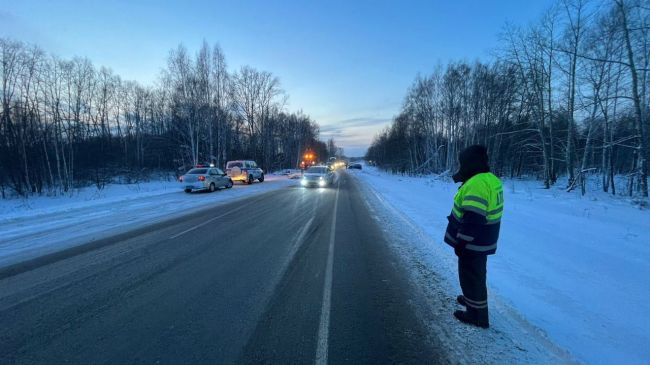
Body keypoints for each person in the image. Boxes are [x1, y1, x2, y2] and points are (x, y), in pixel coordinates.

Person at [444, 145, 503, 329]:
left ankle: (477, 316)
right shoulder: (489, 179)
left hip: (473, 242)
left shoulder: (477, 184)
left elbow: (473, 219)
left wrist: (462, 242)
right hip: (482, 240)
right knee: (476, 274)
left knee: (470, 276)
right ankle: (472, 301)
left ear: (471, 163)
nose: (461, 166)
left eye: (463, 162)